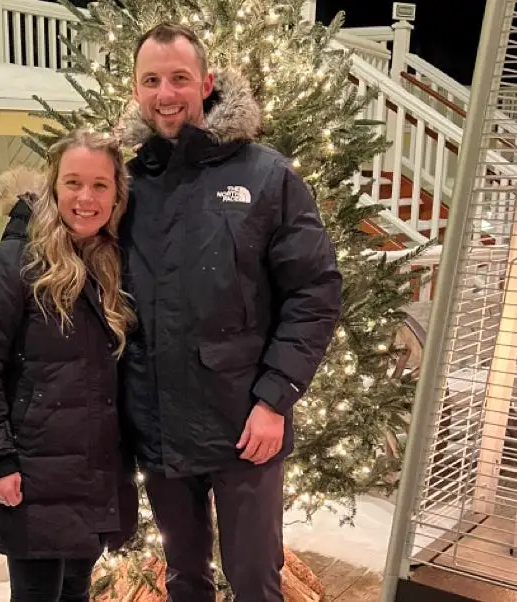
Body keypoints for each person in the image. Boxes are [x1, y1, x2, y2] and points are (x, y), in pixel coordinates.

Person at [116, 23, 343, 602]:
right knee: (185, 580)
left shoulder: (265, 175)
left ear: (207, 82)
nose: (166, 93)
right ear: (137, 90)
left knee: (254, 582)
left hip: (246, 427)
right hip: (160, 428)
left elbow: (314, 290)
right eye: (152, 80)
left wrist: (274, 400)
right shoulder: (127, 182)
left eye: (179, 78)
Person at [0, 129, 139, 602]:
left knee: (76, 591)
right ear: (53, 187)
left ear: (116, 194)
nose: (86, 197)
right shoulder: (9, 265)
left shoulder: (111, 262)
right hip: (34, 471)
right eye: (73, 182)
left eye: (100, 185)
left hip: (95, 470)